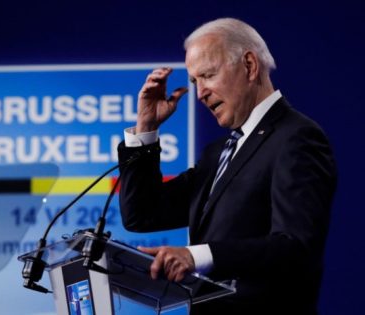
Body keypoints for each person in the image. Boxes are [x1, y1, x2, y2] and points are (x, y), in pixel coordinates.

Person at [117, 17, 337, 315]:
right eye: (195, 82)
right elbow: (142, 214)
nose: (200, 93)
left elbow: (295, 247)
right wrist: (145, 129)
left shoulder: (296, 138)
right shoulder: (217, 153)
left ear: (249, 65)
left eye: (207, 75)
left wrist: (197, 256)